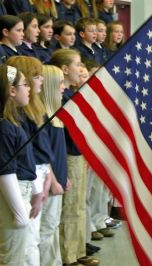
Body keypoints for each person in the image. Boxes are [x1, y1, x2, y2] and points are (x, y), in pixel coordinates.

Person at [0, 64, 36, 265]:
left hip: (19, 191)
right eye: (25, 84)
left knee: (20, 256)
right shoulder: (1, 127)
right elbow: (5, 171)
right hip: (10, 196)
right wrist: (19, 211)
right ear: (12, 91)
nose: (29, 88)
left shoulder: (11, 121)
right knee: (13, 259)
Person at [50, 48, 99, 266]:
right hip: (70, 154)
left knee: (79, 206)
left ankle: (78, 250)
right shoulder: (64, 97)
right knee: (70, 208)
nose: (81, 69)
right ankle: (68, 256)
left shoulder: (72, 93)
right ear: (64, 69)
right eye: (78, 64)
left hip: (79, 154)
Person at [6, 55, 53, 266]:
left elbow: (42, 150)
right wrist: (37, 188)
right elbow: (26, 155)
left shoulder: (34, 108)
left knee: (35, 238)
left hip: (40, 172)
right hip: (28, 177)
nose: (40, 80)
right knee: (28, 243)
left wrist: (49, 173)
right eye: (35, 76)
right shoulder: (19, 114)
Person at [38, 64, 69, 266]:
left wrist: (63, 176)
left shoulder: (55, 115)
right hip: (49, 184)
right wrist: (55, 181)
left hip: (58, 179)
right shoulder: (43, 118)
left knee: (54, 225)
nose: (64, 87)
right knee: (47, 229)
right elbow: (44, 155)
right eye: (60, 83)